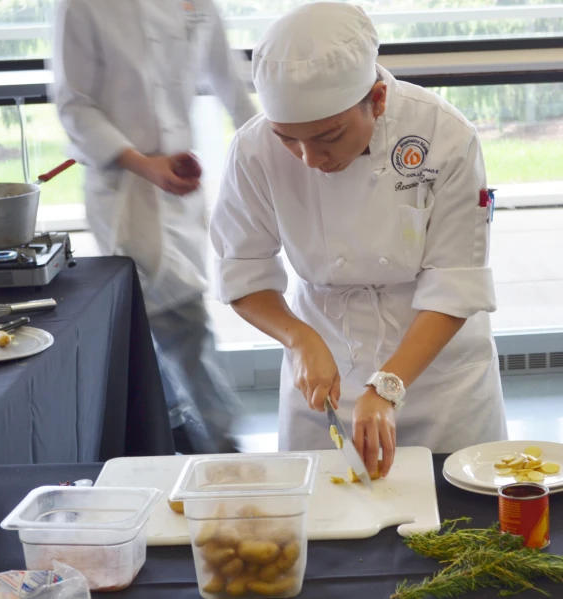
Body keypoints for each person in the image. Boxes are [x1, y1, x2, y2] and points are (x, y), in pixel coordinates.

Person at [209, 2, 507, 475]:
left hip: (439, 380)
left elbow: (454, 282)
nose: (308, 159)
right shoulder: (252, 150)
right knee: (325, 528)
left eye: (328, 136)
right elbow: (243, 272)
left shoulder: (445, 136)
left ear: (378, 99)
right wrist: (299, 338)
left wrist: (388, 385)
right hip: (325, 378)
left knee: (452, 524)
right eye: (289, 139)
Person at [52, 0, 257, 454]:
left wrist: (275, 151)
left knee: (162, 327)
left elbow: (229, 80)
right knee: (183, 322)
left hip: (179, 189)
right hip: (125, 193)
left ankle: (176, 435)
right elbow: (75, 105)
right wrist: (145, 165)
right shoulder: (82, 5)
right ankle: (220, 449)